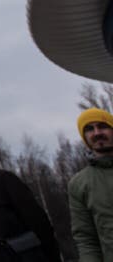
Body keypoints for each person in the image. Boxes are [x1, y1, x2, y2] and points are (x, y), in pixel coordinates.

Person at [68, 107, 113, 261]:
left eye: (102, 126)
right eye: (89, 129)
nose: (96, 133)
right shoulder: (79, 184)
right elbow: (86, 238)